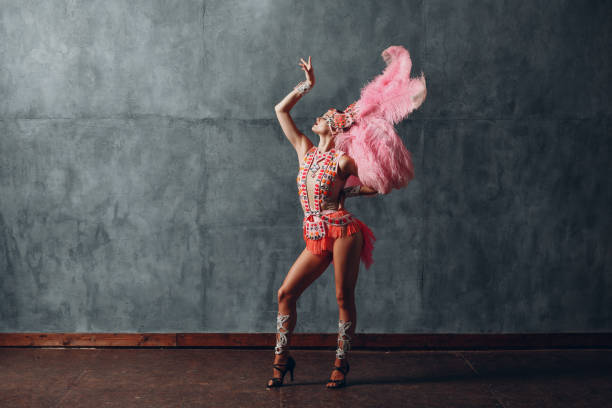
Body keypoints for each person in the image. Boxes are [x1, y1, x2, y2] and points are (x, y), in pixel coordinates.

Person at [266, 47, 427, 390]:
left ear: (335, 126)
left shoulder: (343, 162)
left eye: (326, 116)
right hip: (314, 234)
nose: (319, 117)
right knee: (285, 293)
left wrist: (344, 195)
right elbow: (280, 110)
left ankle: (341, 362)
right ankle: (282, 358)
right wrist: (306, 85)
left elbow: (379, 185)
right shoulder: (304, 150)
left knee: (343, 296)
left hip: (343, 232)